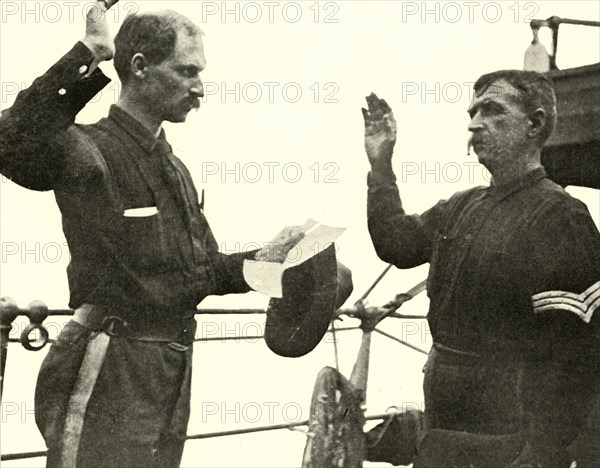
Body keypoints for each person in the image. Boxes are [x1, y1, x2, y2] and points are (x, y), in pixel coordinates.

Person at [0, 2, 304, 467]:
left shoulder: (173, 167)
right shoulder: (86, 149)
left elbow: (204, 272)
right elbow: (9, 137)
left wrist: (275, 255)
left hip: (169, 370)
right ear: (139, 67)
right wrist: (90, 51)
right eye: (186, 71)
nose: (199, 88)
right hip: (108, 366)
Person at [362, 70, 600, 467]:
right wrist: (381, 162)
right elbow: (397, 244)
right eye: (472, 112)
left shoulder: (562, 218)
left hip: (509, 441)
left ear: (535, 124)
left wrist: (541, 455)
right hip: (446, 432)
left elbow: (576, 356)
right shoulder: (461, 206)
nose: (474, 123)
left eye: (491, 110)